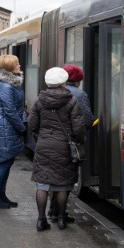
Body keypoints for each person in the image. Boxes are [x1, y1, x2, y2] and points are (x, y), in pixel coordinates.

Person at [28, 67, 85, 231]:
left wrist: (41, 137)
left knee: (42, 184)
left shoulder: (39, 101)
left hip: (44, 146)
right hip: (63, 147)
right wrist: (80, 141)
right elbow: (78, 128)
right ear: (63, 82)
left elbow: (32, 125)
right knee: (62, 184)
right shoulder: (71, 101)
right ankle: (61, 220)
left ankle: (41, 220)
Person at [46, 64, 94, 223]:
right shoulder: (79, 95)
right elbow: (87, 120)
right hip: (70, 142)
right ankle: (60, 214)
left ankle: (51, 211)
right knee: (66, 180)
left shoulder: (45, 94)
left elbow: (34, 122)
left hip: (49, 142)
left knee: (53, 177)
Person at [0, 55, 26, 209]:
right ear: (10, 68)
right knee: (3, 163)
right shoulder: (6, 86)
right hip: (4, 129)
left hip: (5, 128)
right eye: (17, 64)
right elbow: (10, 111)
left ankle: (1, 195)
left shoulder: (10, 83)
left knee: (7, 162)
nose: (20, 65)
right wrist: (22, 127)